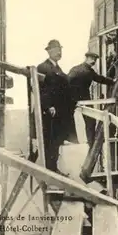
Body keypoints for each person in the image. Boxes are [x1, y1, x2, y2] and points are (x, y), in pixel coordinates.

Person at [36, 39, 72, 177]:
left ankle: (53, 169)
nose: (59, 52)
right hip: (49, 112)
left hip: (59, 112)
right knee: (50, 141)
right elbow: (41, 89)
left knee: (56, 141)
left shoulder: (57, 67)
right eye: (56, 50)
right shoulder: (43, 67)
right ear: (49, 51)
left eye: (60, 49)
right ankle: (50, 171)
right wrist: (48, 105)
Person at [68, 52, 115, 147]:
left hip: (80, 97)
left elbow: (99, 79)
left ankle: (88, 142)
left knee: (90, 120)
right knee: (75, 119)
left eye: (95, 59)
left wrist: (111, 81)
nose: (93, 61)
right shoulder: (80, 70)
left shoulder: (85, 70)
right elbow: (67, 81)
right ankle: (82, 141)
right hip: (77, 97)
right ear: (86, 58)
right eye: (92, 59)